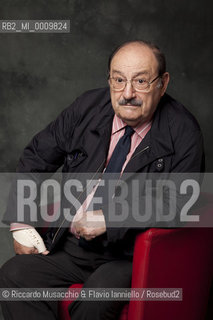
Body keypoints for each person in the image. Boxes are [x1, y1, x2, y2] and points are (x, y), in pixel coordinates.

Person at [0, 40, 204, 320]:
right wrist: (21, 222)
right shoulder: (87, 107)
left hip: (129, 256)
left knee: (96, 300)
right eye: (118, 80)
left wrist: (110, 217)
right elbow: (37, 156)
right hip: (73, 246)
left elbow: (180, 202)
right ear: (109, 79)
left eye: (141, 81)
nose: (127, 93)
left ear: (162, 83)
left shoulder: (183, 131)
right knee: (15, 277)